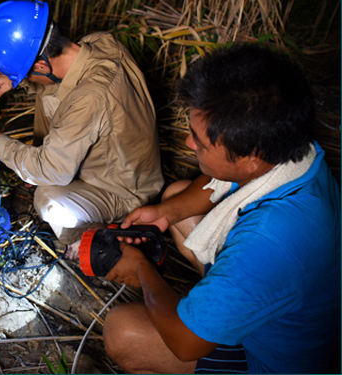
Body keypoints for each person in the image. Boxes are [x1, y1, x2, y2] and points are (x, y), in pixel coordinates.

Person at [102, 43, 341, 374]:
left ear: (249, 157)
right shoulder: (294, 149)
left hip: (276, 360)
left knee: (123, 332)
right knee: (177, 196)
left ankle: (214, 310)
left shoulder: (269, 241)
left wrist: (142, 271)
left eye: (200, 142)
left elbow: (185, 345)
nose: (188, 143)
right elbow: (224, 178)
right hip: (291, 303)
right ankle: (217, 302)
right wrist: (167, 212)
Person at [0, 0, 164, 252]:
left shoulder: (89, 98)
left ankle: (87, 245)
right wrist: (18, 80)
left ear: (41, 65)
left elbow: (52, 171)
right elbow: (61, 78)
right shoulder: (101, 42)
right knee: (48, 92)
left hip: (124, 190)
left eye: (26, 74)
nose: (23, 79)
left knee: (47, 198)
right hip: (130, 165)